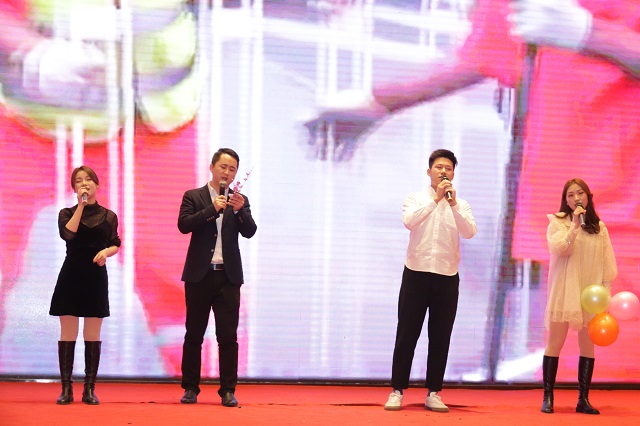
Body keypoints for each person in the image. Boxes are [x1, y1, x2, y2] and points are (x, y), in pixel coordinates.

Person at [307, 0, 640, 380]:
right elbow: (489, 51)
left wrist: (591, 35)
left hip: (622, 219)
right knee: (580, 372)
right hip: (571, 219)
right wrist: (379, 101)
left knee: (604, 380)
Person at [383, 149, 477, 413]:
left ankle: (434, 392)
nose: (443, 171)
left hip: (447, 277)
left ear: (453, 174)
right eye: (438, 167)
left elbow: (469, 232)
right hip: (416, 273)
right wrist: (436, 200)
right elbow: (409, 221)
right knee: (407, 334)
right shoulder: (415, 198)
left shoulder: (461, 204)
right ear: (429, 172)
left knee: (440, 337)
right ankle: (397, 390)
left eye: (448, 168)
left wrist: (452, 204)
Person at [178, 148, 257, 407]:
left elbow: (250, 232)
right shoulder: (193, 196)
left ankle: (228, 390)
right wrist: (212, 209)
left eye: (232, 169)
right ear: (211, 167)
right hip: (199, 276)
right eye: (223, 166)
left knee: (228, 336)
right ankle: (190, 388)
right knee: (194, 334)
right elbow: (184, 225)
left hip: (228, 277)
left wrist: (241, 212)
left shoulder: (239, 200)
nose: (227, 172)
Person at [541, 178, 617, 415]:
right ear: (566, 200)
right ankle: (548, 397)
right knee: (555, 343)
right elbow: (559, 249)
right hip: (565, 290)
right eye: (571, 195)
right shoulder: (557, 222)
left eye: (580, 193)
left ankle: (583, 399)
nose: (576, 198)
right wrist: (574, 226)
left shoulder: (599, 227)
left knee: (588, 345)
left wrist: (605, 295)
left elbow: (608, 265)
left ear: (588, 197)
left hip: (590, 294)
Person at [49, 165, 121, 405]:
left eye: (88, 179)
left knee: (92, 333)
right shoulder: (66, 213)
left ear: (97, 184)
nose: (84, 183)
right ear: (74, 188)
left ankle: (89, 388)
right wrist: (81, 206)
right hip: (71, 276)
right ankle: (66, 389)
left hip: (95, 277)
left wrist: (106, 252)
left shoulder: (109, 216)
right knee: (68, 332)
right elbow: (68, 235)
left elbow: (115, 242)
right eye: (79, 181)